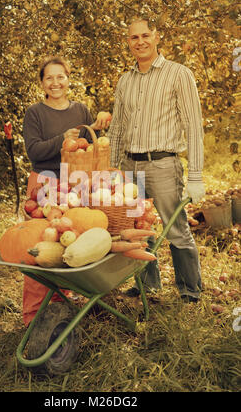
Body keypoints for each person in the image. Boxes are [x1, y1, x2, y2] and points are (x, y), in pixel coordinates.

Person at [107, 18, 205, 303]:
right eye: (133, 38)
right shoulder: (125, 80)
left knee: (175, 228)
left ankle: (189, 291)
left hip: (162, 163)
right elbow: (117, 130)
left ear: (157, 37)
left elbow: (193, 126)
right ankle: (147, 286)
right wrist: (114, 170)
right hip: (129, 166)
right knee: (137, 230)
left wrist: (196, 174)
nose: (140, 42)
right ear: (128, 42)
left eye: (145, 35)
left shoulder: (178, 74)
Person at [22, 56, 109, 326]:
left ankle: (61, 306)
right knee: (41, 248)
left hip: (75, 185)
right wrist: (62, 140)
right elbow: (33, 150)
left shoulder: (81, 110)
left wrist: (100, 123)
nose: (56, 82)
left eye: (61, 77)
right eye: (49, 77)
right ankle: (34, 316)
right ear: (42, 82)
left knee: (70, 246)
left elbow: (89, 143)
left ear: (69, 79)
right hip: (45, 184)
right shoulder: (35, 113)